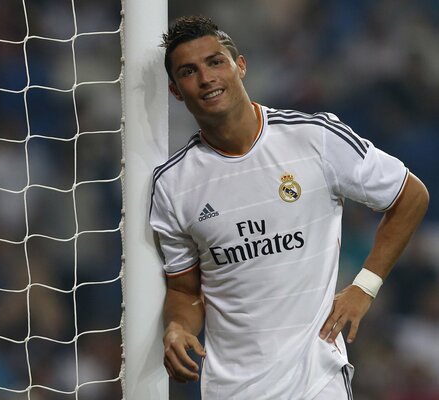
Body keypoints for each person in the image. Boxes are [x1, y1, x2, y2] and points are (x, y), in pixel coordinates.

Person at [149, 16, 429, 399]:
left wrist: (365, 287)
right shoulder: (172, 184)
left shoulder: (315, 138)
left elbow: (410, 195)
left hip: (316, 381)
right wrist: (178, 327)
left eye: (216, 62)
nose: (206, 77)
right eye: (189, 71)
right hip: (231, 389)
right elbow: (185, 291)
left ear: (240, 66)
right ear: (175, 90)